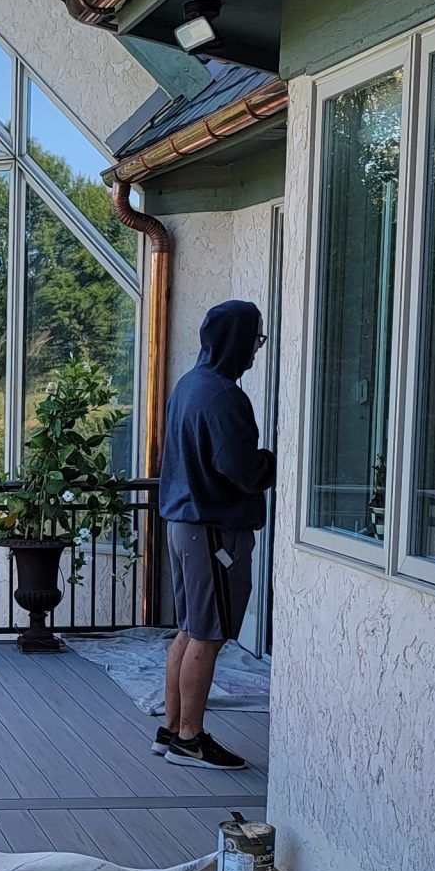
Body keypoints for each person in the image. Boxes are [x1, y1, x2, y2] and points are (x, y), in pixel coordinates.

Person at [153, 298, 273, 767]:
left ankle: (171, 729)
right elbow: (239, 468)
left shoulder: (188, 386)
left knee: (189, 629)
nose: (255, 351)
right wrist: (271, 464)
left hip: (184, 526)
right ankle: (190, 737)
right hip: (214, 532)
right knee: (210, 634)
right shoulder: (223, 396)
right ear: (237, 341)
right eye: (255, 341)